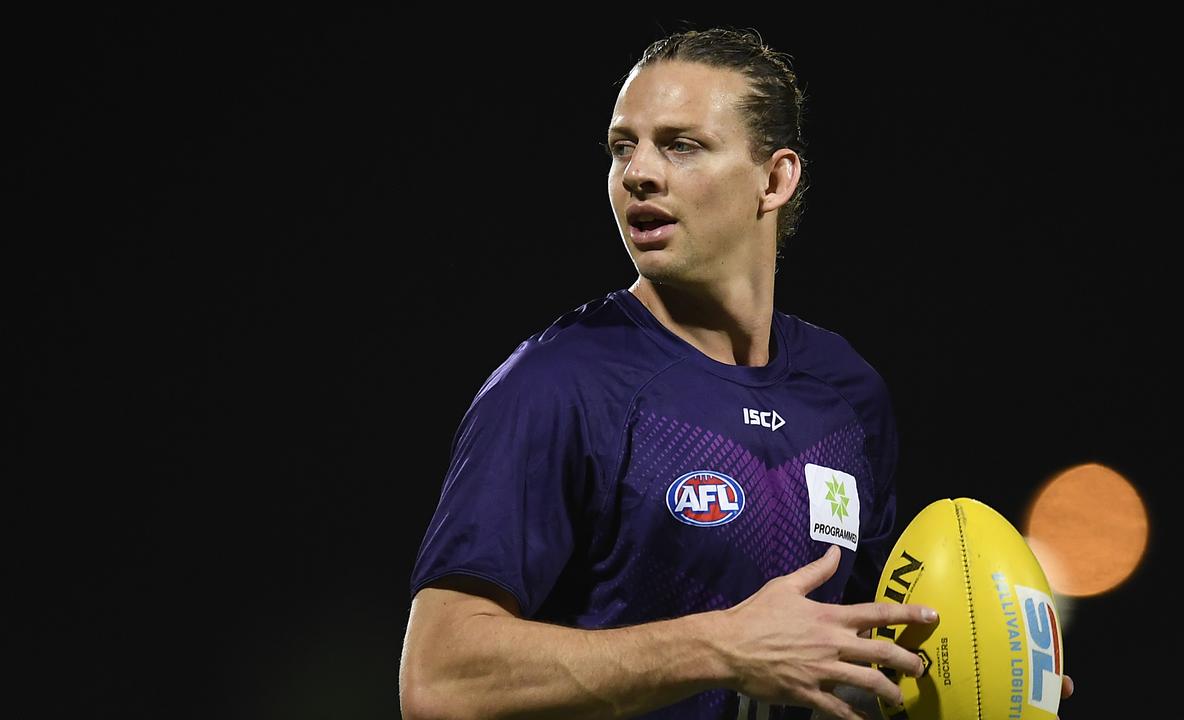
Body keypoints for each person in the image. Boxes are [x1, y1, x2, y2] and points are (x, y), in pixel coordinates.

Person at [399, 27, 1069, 720]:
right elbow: (440, 681)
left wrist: (971, 683)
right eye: (622, 146)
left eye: (681, 145)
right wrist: (721, 648)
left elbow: (845, 671)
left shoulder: (847, 393)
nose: (638, 173)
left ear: (775, 179)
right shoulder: (555, 383)